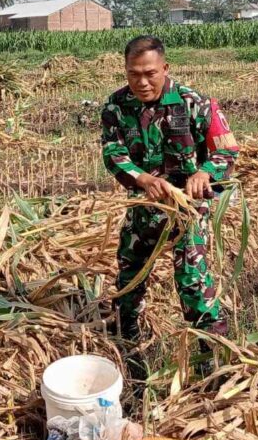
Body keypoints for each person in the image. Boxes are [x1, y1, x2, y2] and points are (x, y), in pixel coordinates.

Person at [101, 35, 239, 355]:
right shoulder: (116, 107)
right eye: (134, 74)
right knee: (130, 271)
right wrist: (144, 179)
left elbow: (227, 149)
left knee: (192, 278)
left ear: (165, 68)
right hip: (145, 201)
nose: (143, 82)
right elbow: (114, 154)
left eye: (150, 73)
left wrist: (204, 173)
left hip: (186, 207)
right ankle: (126, 338)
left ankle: (212, 348)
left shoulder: (195, 103)